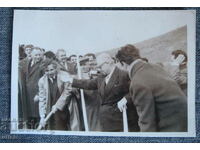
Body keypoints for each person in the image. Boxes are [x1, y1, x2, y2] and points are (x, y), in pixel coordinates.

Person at [116, 44, 187, 132]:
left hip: (172, 130)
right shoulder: (156, 67)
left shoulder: (137, 81)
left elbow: (147, 123)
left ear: (123, 63)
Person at [65, 53, 139, 132]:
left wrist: (126, 99)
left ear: (107, 63)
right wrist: (71, 80)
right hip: (106, 121)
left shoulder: (123, 74)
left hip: (121, 120)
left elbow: (135, 91)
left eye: (100, 66)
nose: (99, 69)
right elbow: (88, 84)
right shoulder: (101, 77)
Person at [38, 61, 71, 130]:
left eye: (51, 70)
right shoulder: (42, 81)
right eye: (47, 71)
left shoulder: (63, 76)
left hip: (64, 106)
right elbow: (42, 99)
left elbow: (67, 92)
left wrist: (58, 105)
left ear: (55, 69)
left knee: (61, 127)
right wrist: (42, 116)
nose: (49, 72)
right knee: (51, 128)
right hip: (50, 108)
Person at [19, 47, 44, 129]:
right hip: (27, 95)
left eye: (39, 55)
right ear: (32, 55)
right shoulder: (27, 63)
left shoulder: (43, 65)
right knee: (29, 118)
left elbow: (44, 82)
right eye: (36, 55)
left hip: (36, 96)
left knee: (37, 117)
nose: (38, 57)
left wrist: (38, 94)